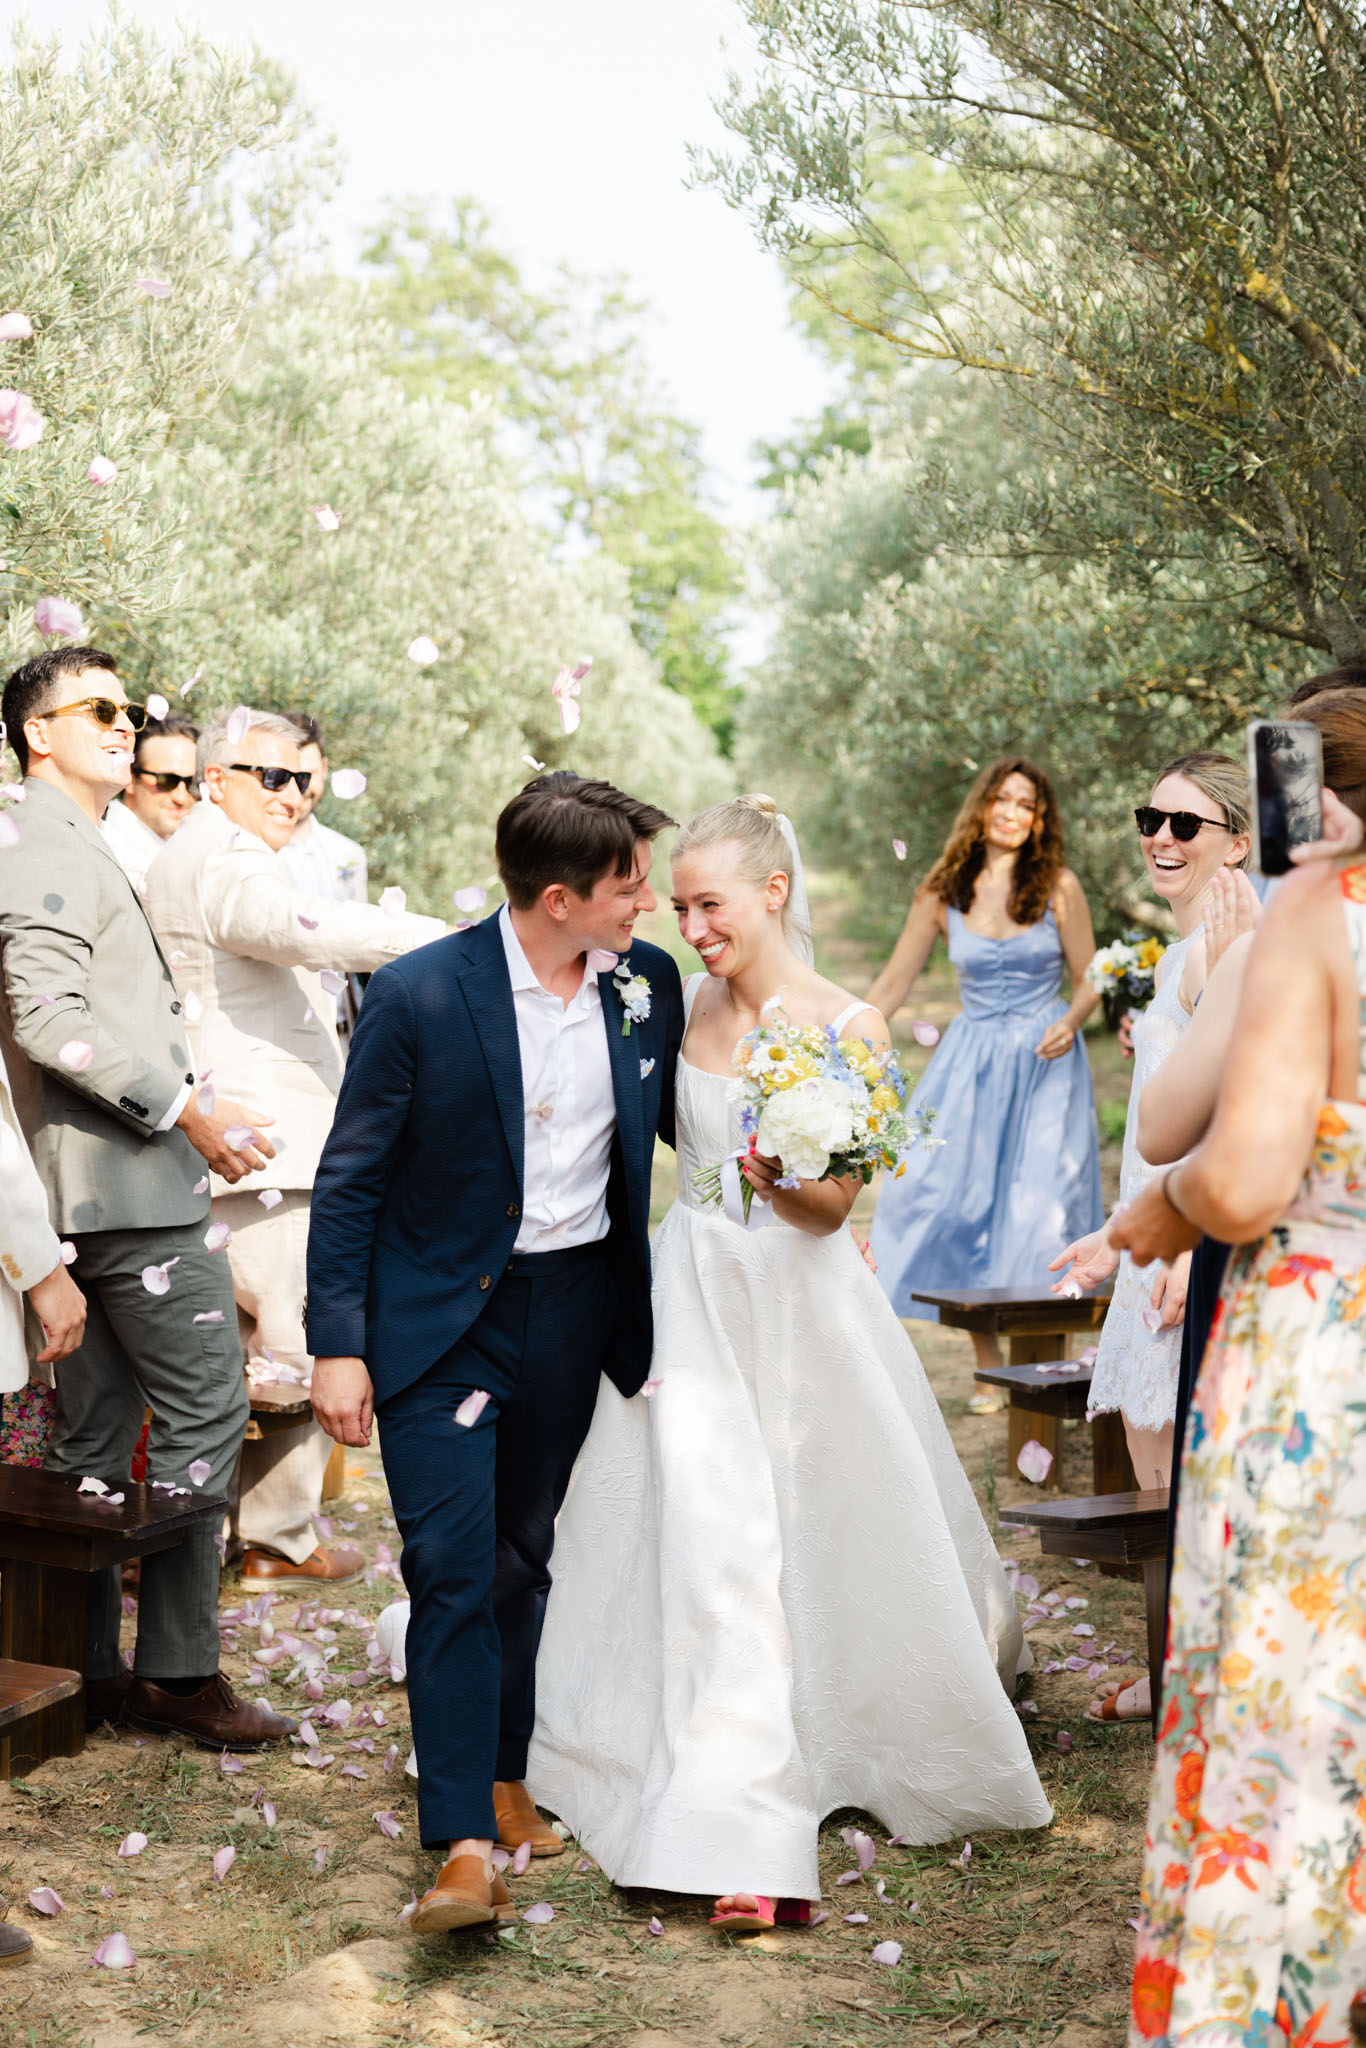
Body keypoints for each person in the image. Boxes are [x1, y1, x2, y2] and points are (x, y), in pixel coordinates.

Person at [528, 794, 1050, 1927]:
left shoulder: (848, 1027)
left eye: (708, 903)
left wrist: (776, 1162)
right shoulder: (673, 999)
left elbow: (830, 1211)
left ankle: (814, 1762)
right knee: (709, 1542)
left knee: (820, 1527)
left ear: (771, 892)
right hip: (689, 1296)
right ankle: (733, 1812)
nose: (692, 924)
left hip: (800, 1303)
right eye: (677, 905)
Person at [306, 770, 683, 1933]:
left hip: (575, 1306)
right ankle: (462, 1842)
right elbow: (353, 1174)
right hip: (439, 1321)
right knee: (452, 1569)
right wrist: (338, 1345)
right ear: (560, 895)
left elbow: (693, 1118)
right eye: (631, 885)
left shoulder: (646, 986)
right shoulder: (422, 994)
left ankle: (507, 1766)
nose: (651, 904)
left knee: (523, 1557)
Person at [0, 646, 294, 1749]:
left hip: (86, 1190)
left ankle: (80, 1671)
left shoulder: (64, 836)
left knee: (95, 1431)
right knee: (209, 1404)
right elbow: (46, 1017)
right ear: (38, 732)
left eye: (133, 709)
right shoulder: (39, 841)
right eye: (100, 709)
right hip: (124, 1186)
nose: (127, 724)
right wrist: (184, 1107)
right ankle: (176, 1671)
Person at [1109, 848, 1366, 2048]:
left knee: (1294, 1672)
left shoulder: (1321, 906)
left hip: (1326, 1355)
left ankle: (1282, 1994)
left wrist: (1170, 1204)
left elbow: (1247, 1171)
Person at [143, 708, 446, 1590]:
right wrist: (448, 939)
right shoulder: (228, 859)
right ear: (216, 780)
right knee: (296, 1346)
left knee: (233, 1361)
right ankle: (275, 1542)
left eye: (301, 781)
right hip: (273, 1143)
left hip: (225, 1141)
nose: (292, 795)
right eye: (267, 777)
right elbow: (295, 927)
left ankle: (220, 1540)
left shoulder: (183, 855)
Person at [1049, 751, 1251, 1725]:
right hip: (1151, 1245)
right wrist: (1114, 1230)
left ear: (1239, 842)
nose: (1159, 838)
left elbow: (1234, 1112)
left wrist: (1181, 1242)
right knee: (1157, 1478)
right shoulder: (1178, 957)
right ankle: (1169, 1670)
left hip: (1189, 1249)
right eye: (1150, 817)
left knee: (1194, 1488)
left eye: (1187, 824)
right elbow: (1155, 1132)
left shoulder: (1232, 953)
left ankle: (1206, 1690)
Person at [865, 757, 1103, 1387]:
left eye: (1027, 805)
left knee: (1042, 1209)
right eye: (1003, 799)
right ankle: (990, 1368)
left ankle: (1044, 1364)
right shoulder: (942, 889)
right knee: (953, 1201)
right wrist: (840, 1045)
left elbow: (1093, 977)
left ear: (1040, 819)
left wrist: (1073, 1020)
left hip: (1045, 1064)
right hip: (970, 1066)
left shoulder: (1060, 886)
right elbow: (892, 983)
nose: (1012, 813)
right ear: (982, 806)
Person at [278, 715, 369, 1044]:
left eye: (307, 775)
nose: (299, 788)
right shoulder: (252, 853)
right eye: (287, 775)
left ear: (325, 769)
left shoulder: (350, 855)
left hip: (345, 1031)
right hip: (282, 1033)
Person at [100, 711, 199, 894]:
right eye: (165, 781)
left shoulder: (174, 850)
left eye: (191, 783)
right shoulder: (111, 851)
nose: (181, 797)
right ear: (129, 776)